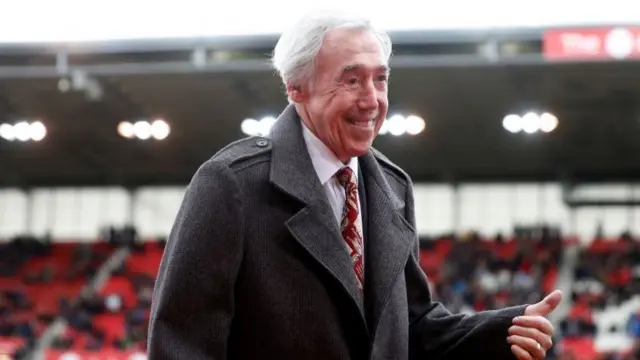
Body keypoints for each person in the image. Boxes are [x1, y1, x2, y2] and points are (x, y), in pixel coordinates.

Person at [147, 11, 562, 360]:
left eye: (380, 80)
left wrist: (502, 329)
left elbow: (412, 326)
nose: (372, 100)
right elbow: (181, 345)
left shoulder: (393, 187)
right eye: (351, 80)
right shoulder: (231, 184)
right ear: (296, 88)